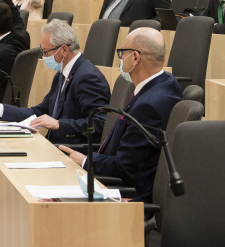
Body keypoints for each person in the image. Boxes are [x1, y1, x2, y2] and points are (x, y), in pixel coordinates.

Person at [59, 27, 182, 203]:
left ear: (135, 58)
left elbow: (125, 166)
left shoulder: (148, 106)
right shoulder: (166, 82)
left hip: (127, 194)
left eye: (122, 53)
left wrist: (86, 161)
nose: (121, 58)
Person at [0, 19, 111, 144]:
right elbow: (39, 112)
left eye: (46, 52)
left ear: (64, 49)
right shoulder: (61, 75)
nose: (44, 57)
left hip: (73, 152)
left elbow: (101, 123)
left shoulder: (88, 77)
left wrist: (59, 124)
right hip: (54, 146)